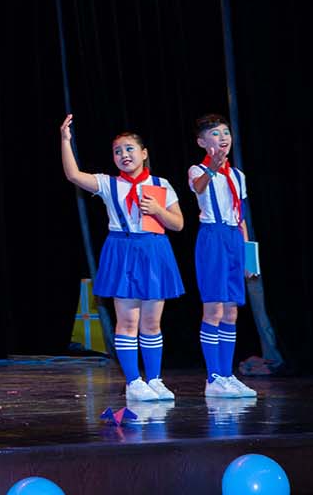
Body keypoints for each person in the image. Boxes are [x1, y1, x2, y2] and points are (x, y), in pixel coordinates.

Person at [60, 114, 185, 402]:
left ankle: (154, 379)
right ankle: (133, 382)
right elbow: (74, 175)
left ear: (144, 153)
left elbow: (178, 224)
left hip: (154, 250)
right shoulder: (109, 184)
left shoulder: (161, 184)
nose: (124, 155)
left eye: (129, 149)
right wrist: (66, 141)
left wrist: (158, 210)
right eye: (117, 151)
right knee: (128, 321)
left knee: (151, 323)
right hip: (123, 250)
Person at [188, 114, 260, 398]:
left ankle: (227, 375)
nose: (223, 138)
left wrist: (248, 258)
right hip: (213, 238)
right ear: (202, 142)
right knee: (214, 310)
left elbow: (241, 217)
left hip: (233, 239)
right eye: (215, 134)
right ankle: (213, 377)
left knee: (231, 311)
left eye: (225, 132)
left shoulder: (238, 175)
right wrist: (213, 168)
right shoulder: (197, 170)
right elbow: (198, 187)